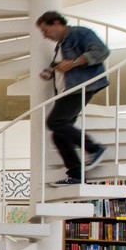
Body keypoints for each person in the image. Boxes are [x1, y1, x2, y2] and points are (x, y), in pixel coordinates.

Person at [35, 11, 109, 187]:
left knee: (55, 122)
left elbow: (101, 51)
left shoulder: (79, 33)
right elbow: (62, 65)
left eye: (46, 30)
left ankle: (94, 148)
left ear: (56, 23)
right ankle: (76, 175)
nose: (45, 36)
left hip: (80, 88)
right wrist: (50, 71)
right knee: (59, 136)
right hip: (68, 90)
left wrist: (74, 63)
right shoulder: (60, 46)